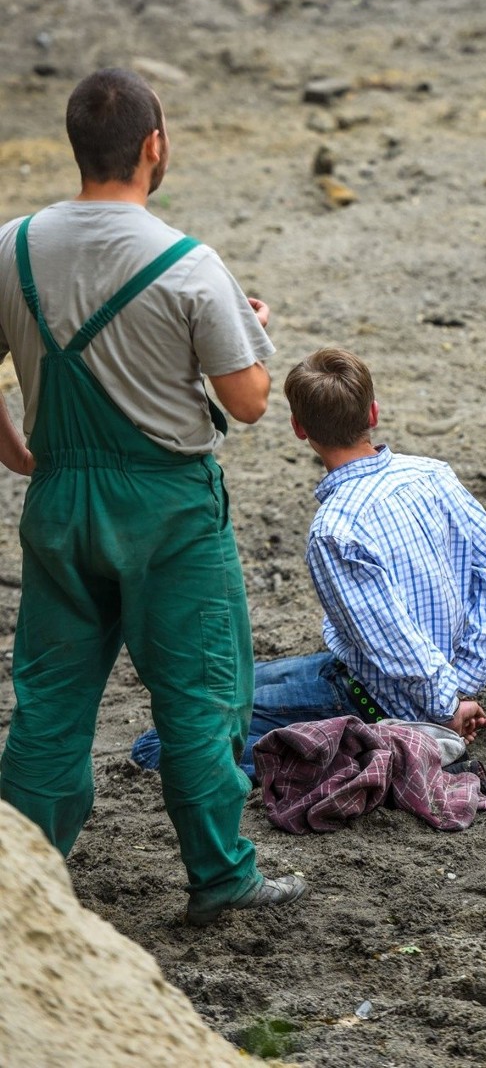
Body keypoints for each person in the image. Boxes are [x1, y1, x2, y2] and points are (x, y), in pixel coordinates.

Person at [0, 67, 305, 924]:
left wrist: (21, 454)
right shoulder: (188, 263)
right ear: (153, 147)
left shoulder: (12, 245)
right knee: (200, 698)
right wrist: (251, 333)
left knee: (50, 702)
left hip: (59, 500)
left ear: (74, 147)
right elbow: (245, 402)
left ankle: (22, 881)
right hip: (168, 511)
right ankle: (220, 878)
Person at [134, 346, 486, 778]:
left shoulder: (334, 529)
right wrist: (463, 683)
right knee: (220, 688)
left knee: (160, 743)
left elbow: (392, 642)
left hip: (377, 698)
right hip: (418, 681)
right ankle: (406, 734)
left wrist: (447, 706)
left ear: (298, 428)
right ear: (373, 412)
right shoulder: (433, 473)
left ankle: (381, 752)